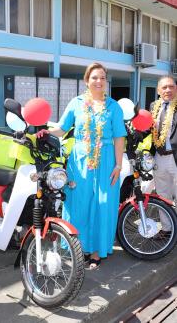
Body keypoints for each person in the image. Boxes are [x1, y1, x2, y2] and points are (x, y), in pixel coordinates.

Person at [36, 62, 127, 269]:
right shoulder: (76, 103)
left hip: (106, 161)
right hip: (79, 161)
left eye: (103, 77)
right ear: (87, 81)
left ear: (106, 81)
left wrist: (118, 165)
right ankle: (79, 247)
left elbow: (119, 137)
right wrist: (47, 131)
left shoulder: (114, 106)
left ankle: (97, 251)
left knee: (103, 205)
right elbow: (62, 128)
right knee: (79, 204)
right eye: (94, 77)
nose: (99, 81)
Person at [150, 75, 177, 236]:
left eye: (171, 86)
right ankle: (167, 229)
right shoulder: (154, 106)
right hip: (159, 156)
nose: (167, 90)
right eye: (164, 87)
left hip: (176, 157)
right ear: (158, 91)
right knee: (162, 194)